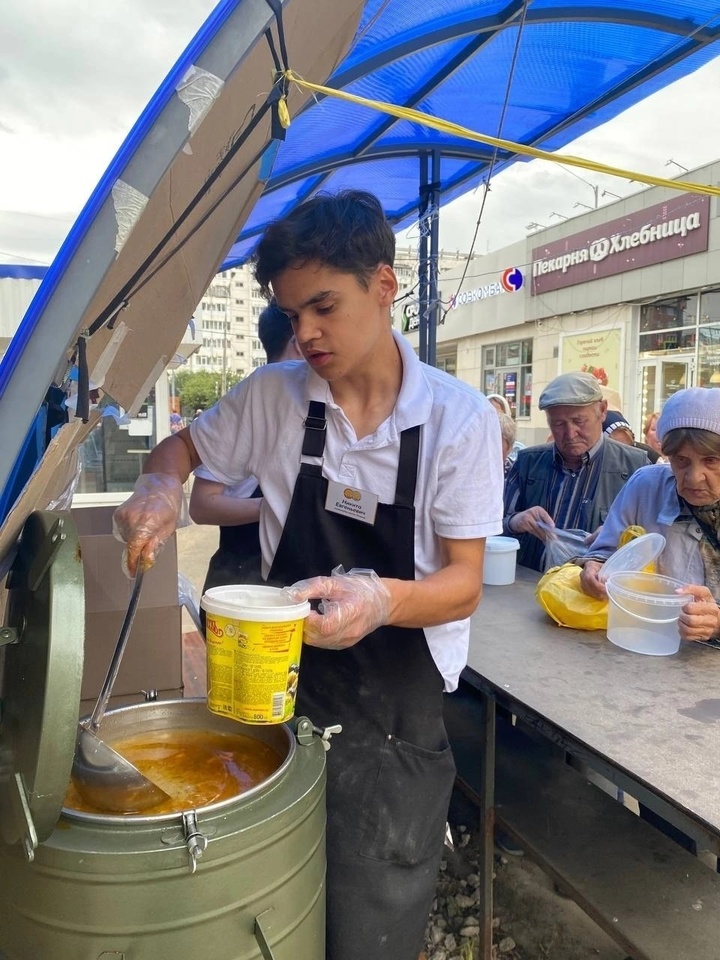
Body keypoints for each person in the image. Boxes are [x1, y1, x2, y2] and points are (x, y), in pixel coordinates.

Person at [113, 189, 504, 960]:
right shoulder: (275, 397)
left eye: (323, 306)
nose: (307, 333)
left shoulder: (459, 420)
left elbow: (463, 583)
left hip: (396, 712)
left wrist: (380, 597)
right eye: (293, 315)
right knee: (263, 895)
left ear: (384, 286)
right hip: (280, 684)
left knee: (370, 911)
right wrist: (160, 484)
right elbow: (181, 451)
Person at [580, 386, 720, 641]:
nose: (694, 477)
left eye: (711, 460)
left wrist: (718, 623)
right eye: (681, 460)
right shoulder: (646, 485)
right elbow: (604, 553)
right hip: (644, 640)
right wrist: (593, 568)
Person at [190, 302, 303, 612]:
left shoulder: (312, 406)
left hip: (291, 586)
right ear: (297, 339)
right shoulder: (250, 406)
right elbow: (201, 506)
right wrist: (274, 507)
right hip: (240, 582)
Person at [503, 371, 651, 571]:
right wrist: (514, 522)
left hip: (596, 596)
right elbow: (491, 529)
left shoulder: (636, 466)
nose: (570, 433)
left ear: (603, 410)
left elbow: (651, 542)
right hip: (530, 587)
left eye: (579, 421)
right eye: (558, 424)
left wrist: (620, 537)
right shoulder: (528, 462)